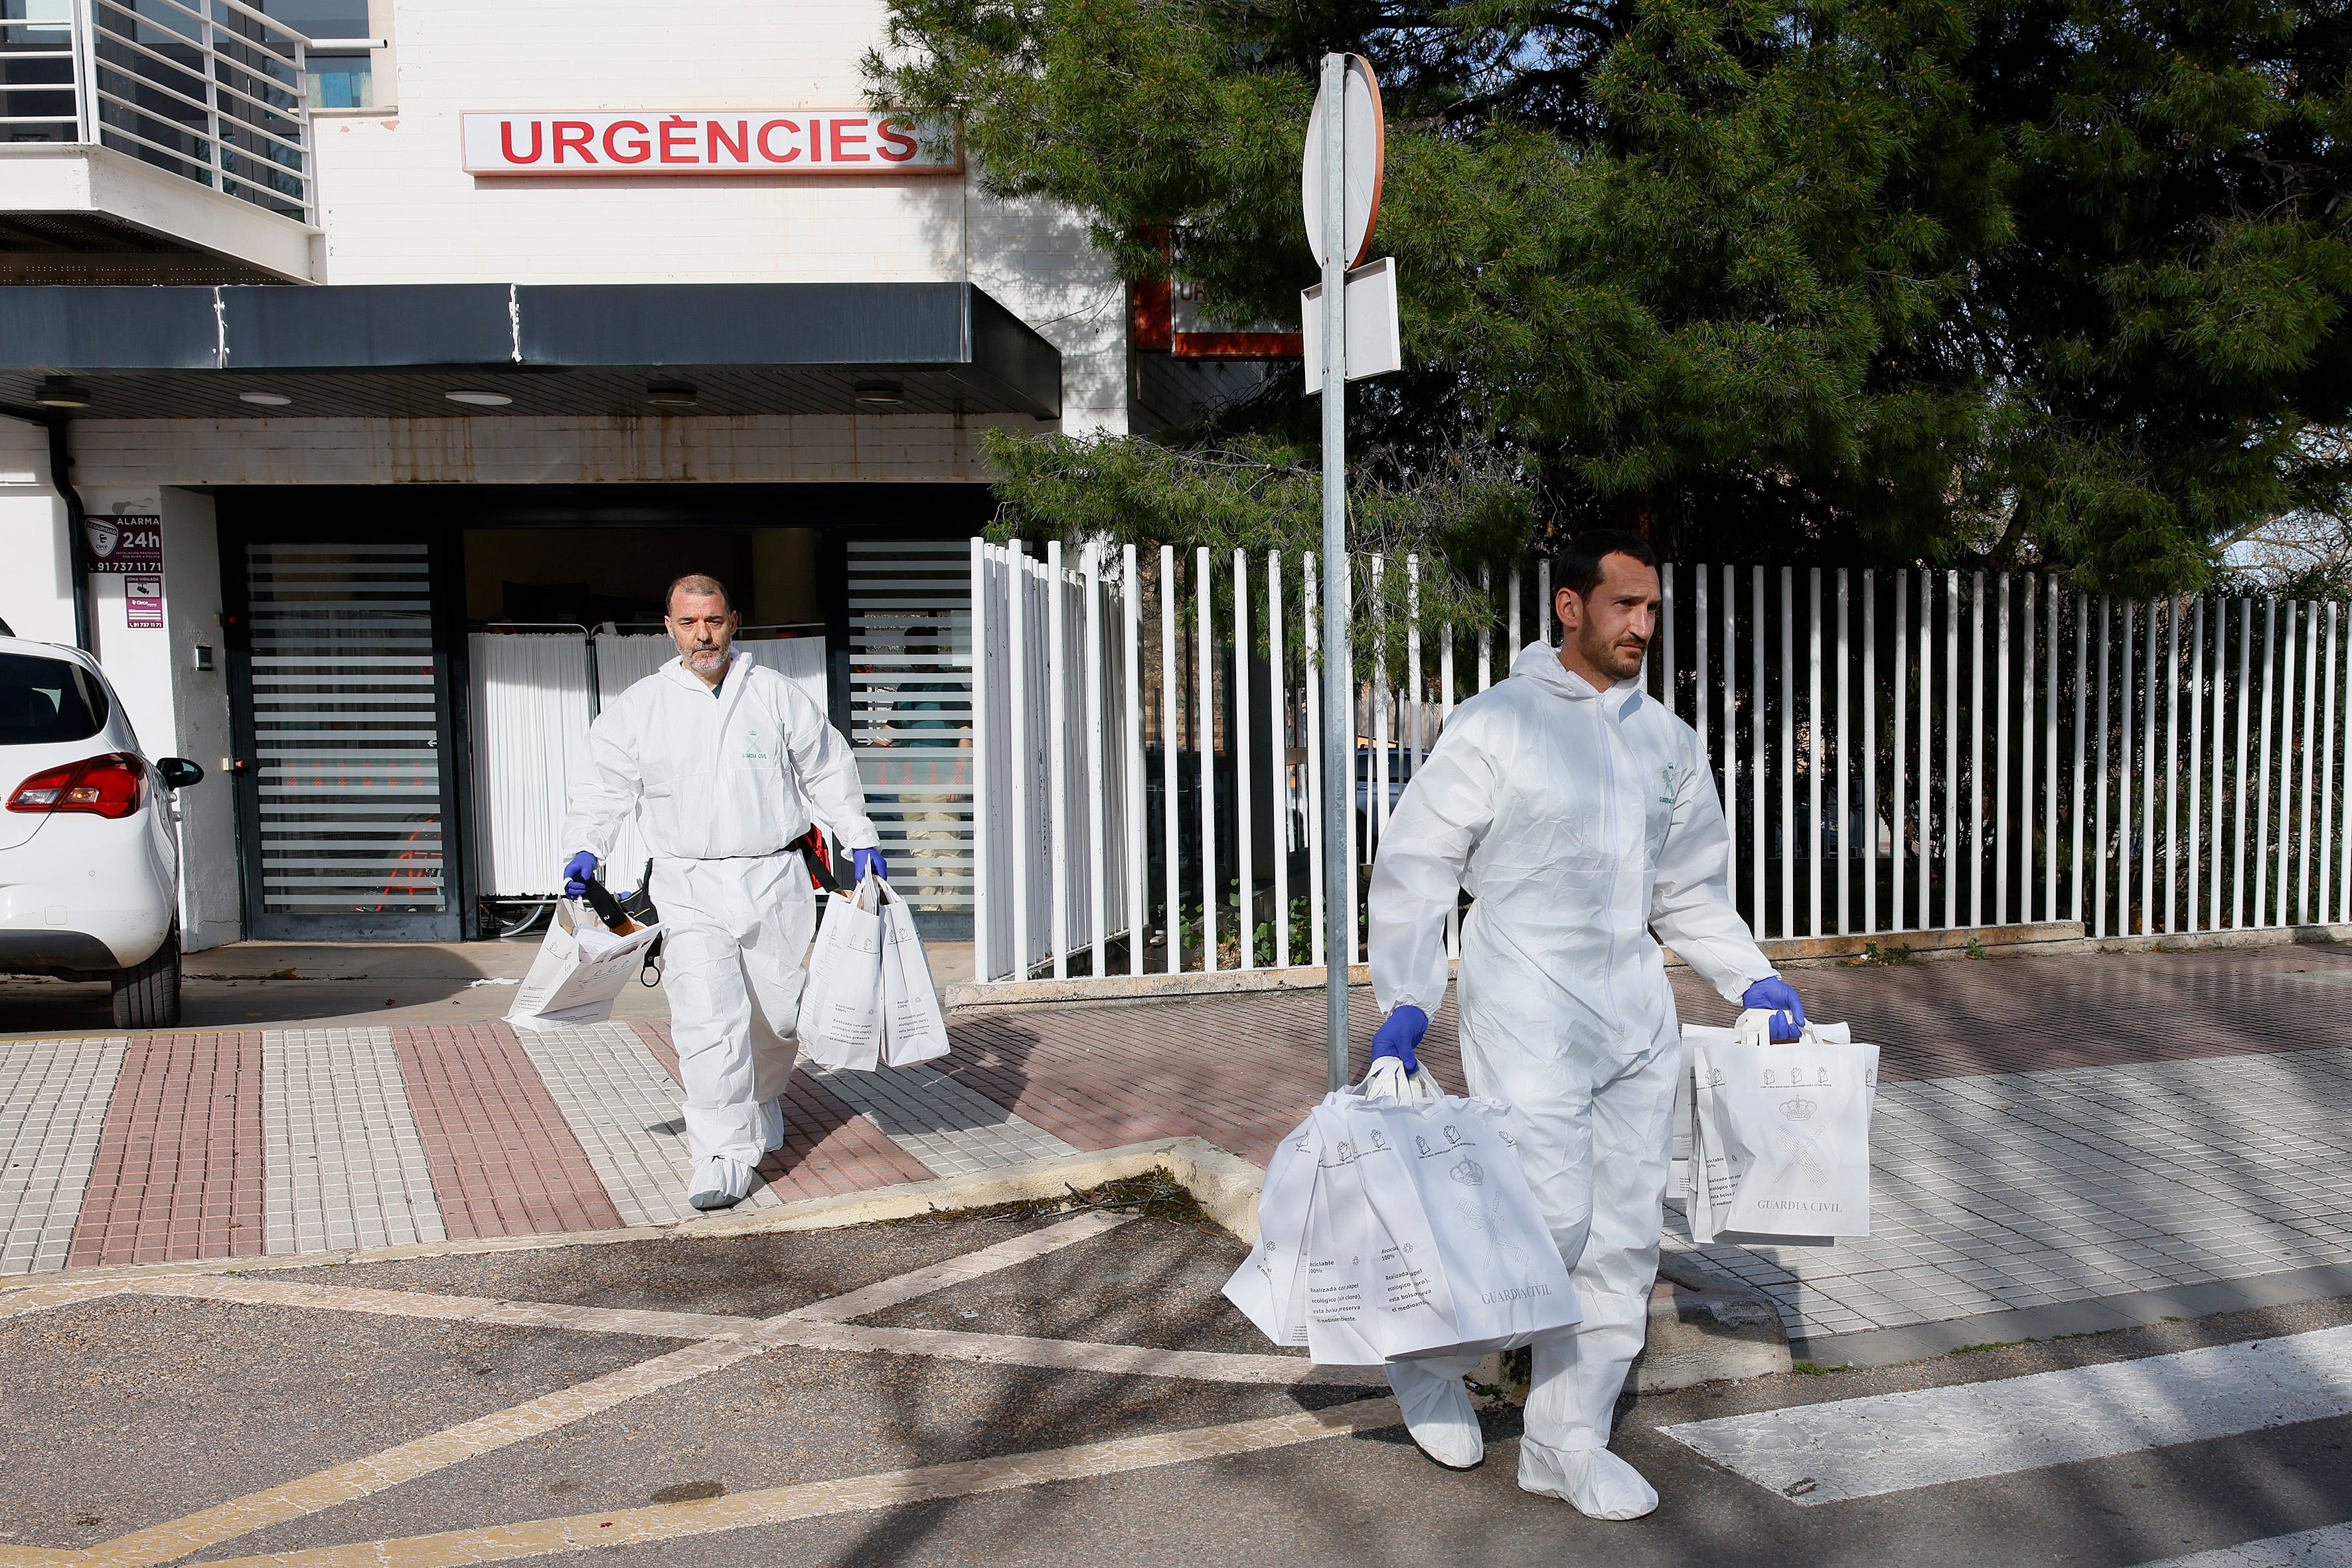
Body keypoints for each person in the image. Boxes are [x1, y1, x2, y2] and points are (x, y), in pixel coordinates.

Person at [1364, 530, 1806, 1520]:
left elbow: (1687, 889)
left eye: (1651, 609)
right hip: (1524, 1001)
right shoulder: (1496, 725)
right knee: (1545, 1219)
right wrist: (1404, 991)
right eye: (1623, 606)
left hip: (1632, 1011)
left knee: (1619, 1238)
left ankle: (1566, 1442)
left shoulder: (1667, 742)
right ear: (1569, 606)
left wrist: (1751, 978)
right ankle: (1427, 1359)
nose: (1641, 626)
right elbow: (1418, 862)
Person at [560, 574, 884, 1212]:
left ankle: (763, 1099)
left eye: (712, 621)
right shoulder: (642, 705)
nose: (702, 635)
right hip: (687, 883)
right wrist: (586, 846)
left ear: (733, 620)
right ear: (669, 626)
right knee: (708, 1022)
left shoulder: (773, 694)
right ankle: (721, 1154)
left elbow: (826, 767)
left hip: (773, 877)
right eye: (689, 623)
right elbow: (603, 787)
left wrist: (858, 835)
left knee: (779, 1017)